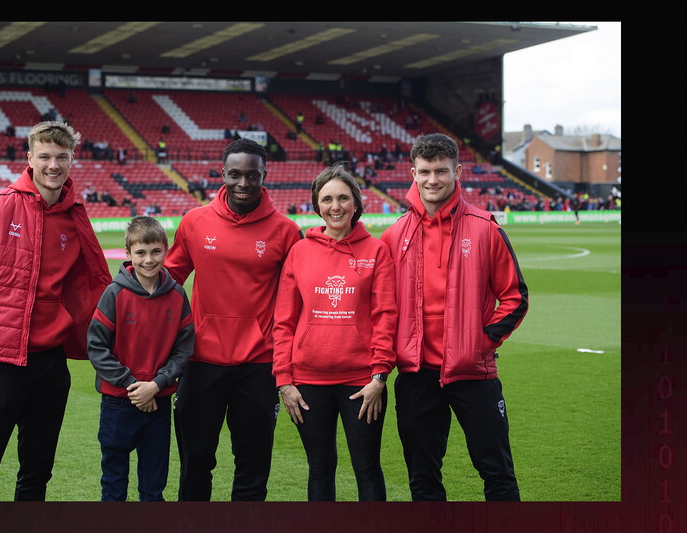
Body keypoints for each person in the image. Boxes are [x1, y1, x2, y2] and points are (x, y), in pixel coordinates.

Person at [0, 121, 113, 501]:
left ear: (72, 159)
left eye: (61, 157)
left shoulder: (76, 215)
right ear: (29, 158)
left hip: (50, 365)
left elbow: (95, 282)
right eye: (45, 157)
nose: (53, 165)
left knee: (36, 475)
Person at [380, 133, 528, 501]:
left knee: (497, 471)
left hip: (473, 371)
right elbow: (381, 307)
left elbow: (516, 297)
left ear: (457, 171)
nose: (433, 180)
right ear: (412, 173)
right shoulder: (393, 234)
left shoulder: (486, 228)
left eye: (441, 171)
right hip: (416, 375)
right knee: (423, 476)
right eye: (425, 171)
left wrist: (481, 342)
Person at [165, 138, 303, 501]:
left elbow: (299, 295)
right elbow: (168, 279)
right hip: (200, 360)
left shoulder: (286, 231)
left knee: (253, 467)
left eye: (253, 175)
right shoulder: (195, 222)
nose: (244, 183)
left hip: (258, 364)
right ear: (222, 174)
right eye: (235, 174)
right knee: (195, 462)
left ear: (264, 175)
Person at [273, 164, 397, 501]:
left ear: (356, 203)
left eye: (343, 198)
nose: (336, 206)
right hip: (308, 383)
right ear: (317, 205)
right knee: (320, 468)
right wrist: (284, 381)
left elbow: (386, 316)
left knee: (367, 467)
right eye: (327, 199)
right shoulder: (299, 251)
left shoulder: (376, 251)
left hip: (363, 384)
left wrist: (379, 377)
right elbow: (283, 320)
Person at [87, 216, 195, 501]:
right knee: (113, 485)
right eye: (141, 253)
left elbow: (184, 350)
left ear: (166, 250)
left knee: (153, 487)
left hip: (158, 403)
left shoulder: (177, 295)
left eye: (156, 251)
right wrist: (135, 386)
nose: (149, 259)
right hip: (118, 403)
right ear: (128, 254)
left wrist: (157, 384)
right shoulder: (115, 293)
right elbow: (97, 348)